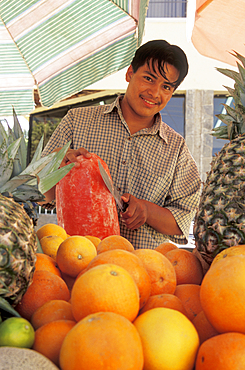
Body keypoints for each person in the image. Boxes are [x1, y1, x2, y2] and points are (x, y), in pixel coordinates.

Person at [41, 39, 201, 250]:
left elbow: (183, 219)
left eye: (166, 86)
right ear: (129, 74)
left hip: (143, 271)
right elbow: (38, 192)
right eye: (148, 78)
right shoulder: (77, 121)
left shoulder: (176, 148)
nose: (154, 92)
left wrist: (147, 210)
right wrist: (55, 167)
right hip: (76, 262)